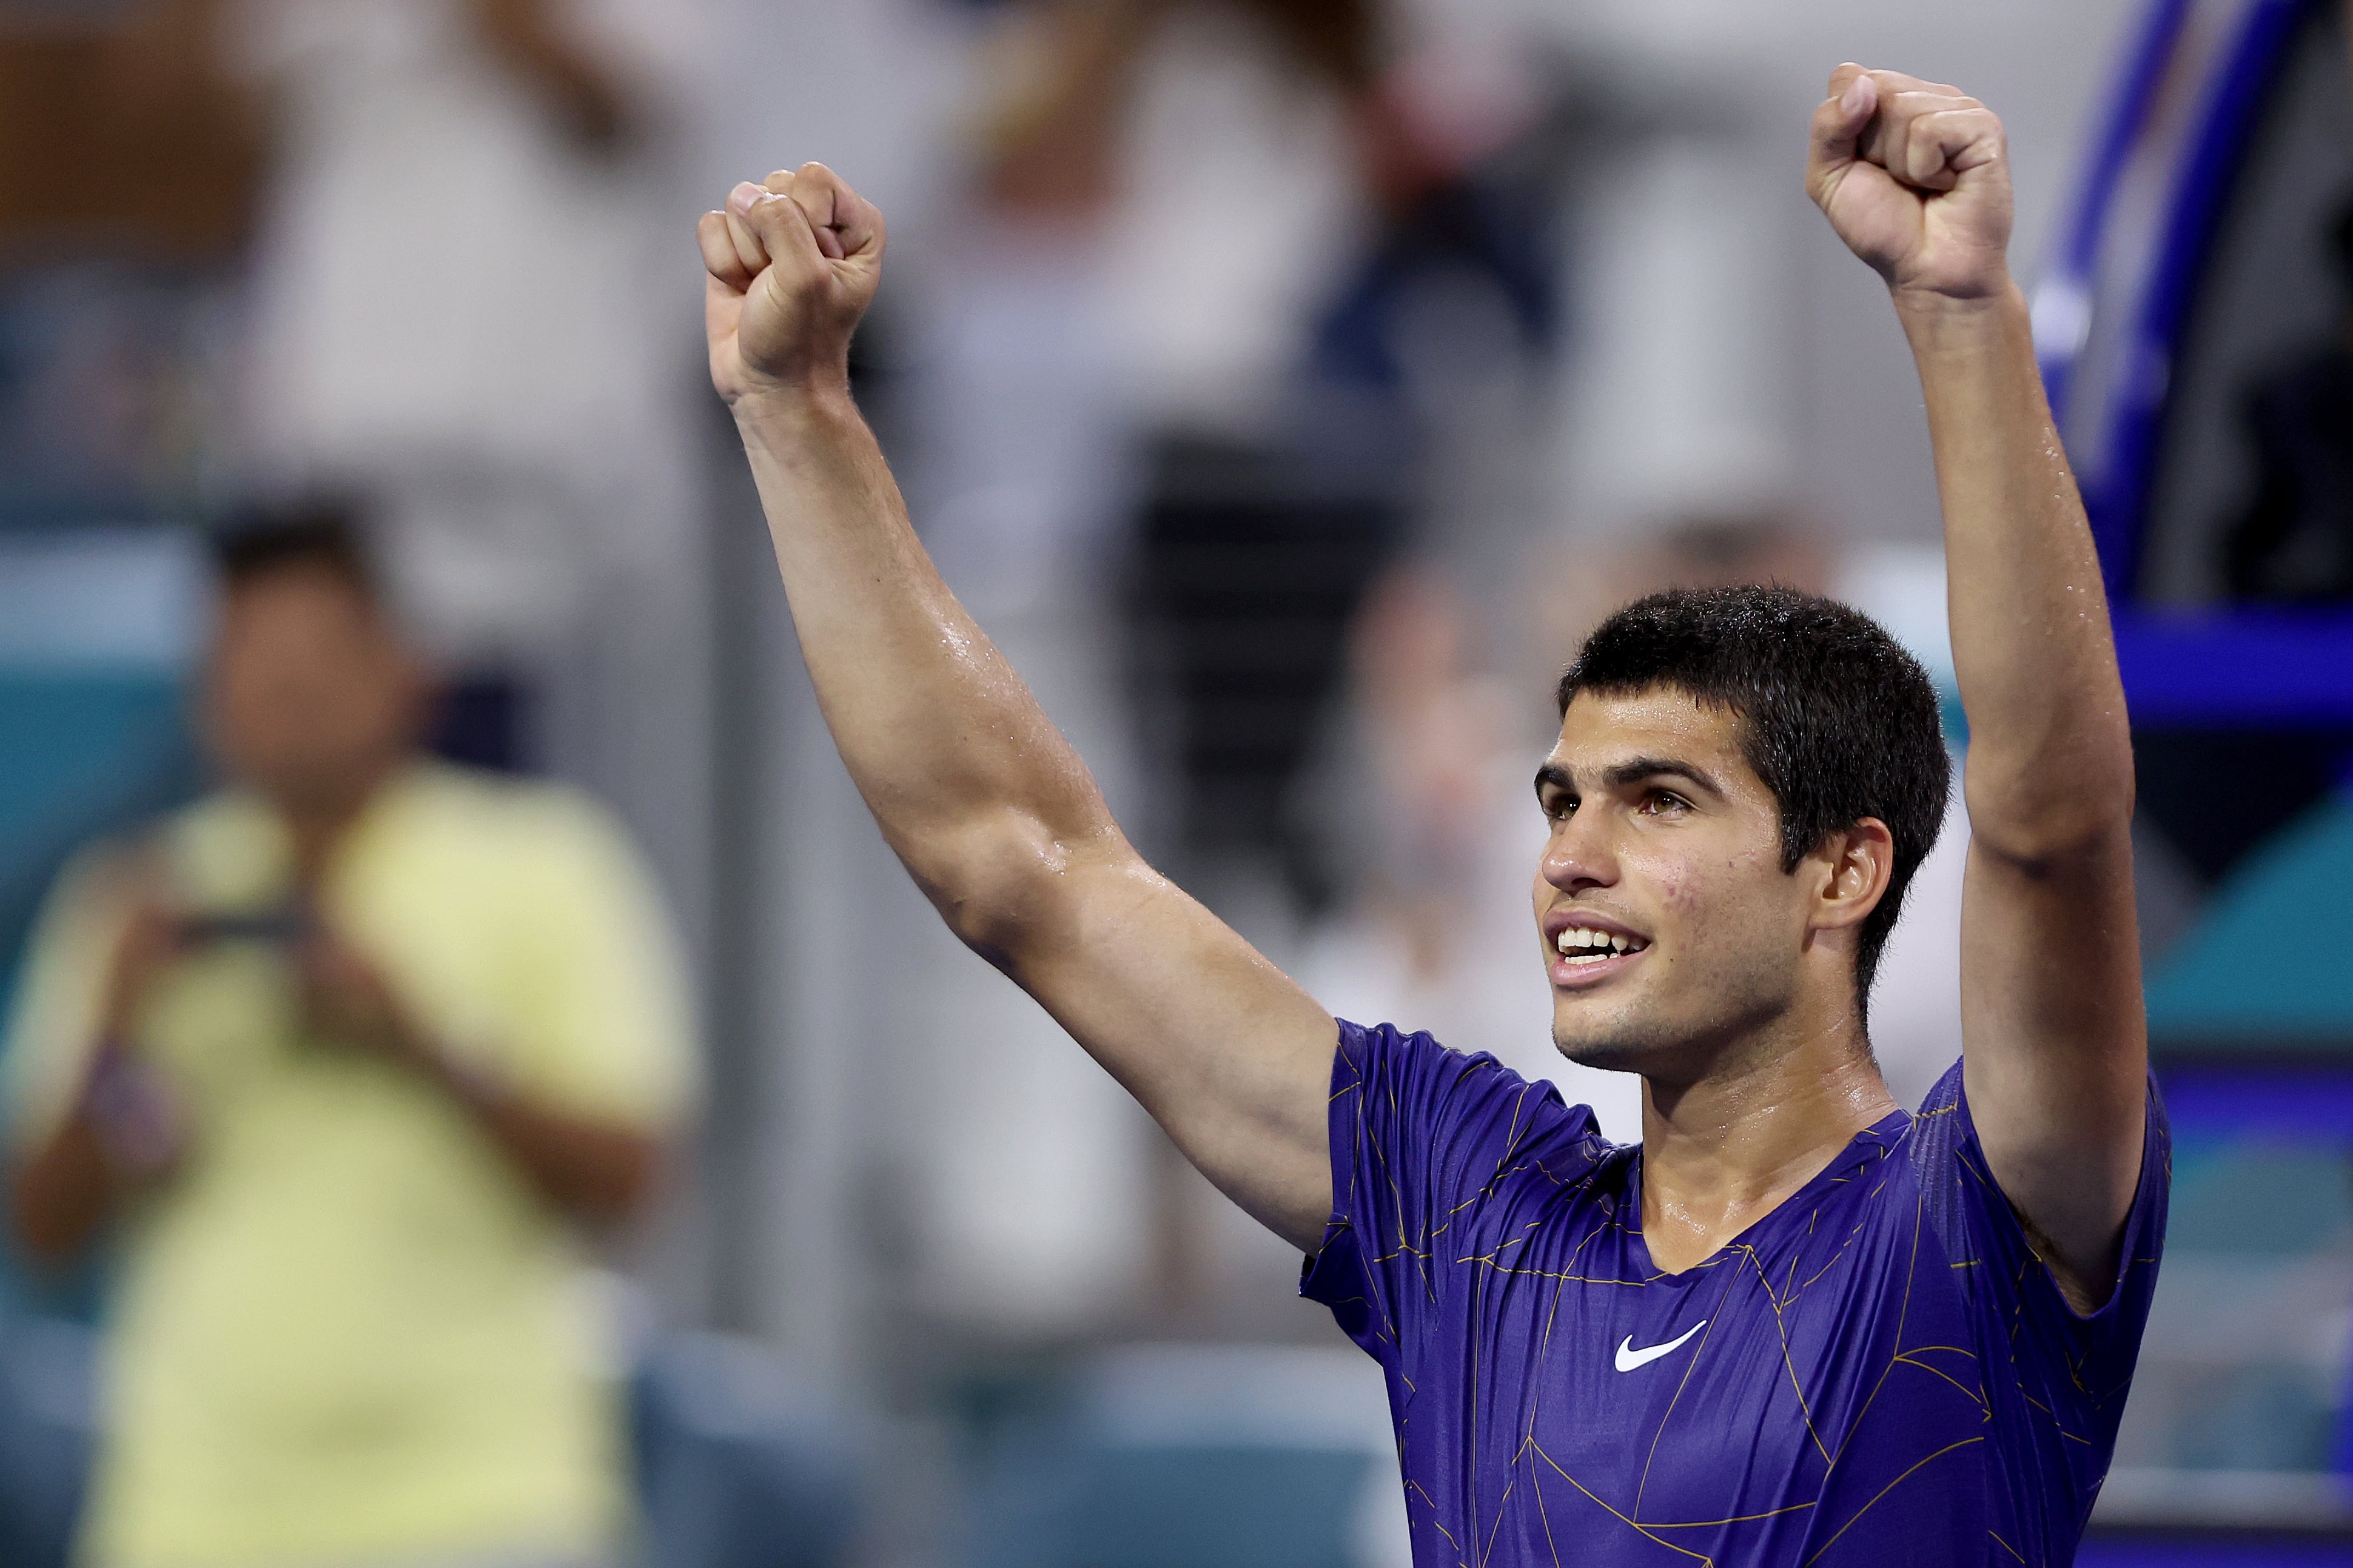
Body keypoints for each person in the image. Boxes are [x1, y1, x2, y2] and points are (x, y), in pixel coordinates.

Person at [697, 59, 2164, 1564]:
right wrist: (797, 416)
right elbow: (1022, 868)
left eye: (1658, 801)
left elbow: (2049, 821)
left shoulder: (1970, 1222)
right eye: (1558, 802)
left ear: (1845, 871)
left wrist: (1961, 314)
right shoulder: (1466, 1209)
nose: (1570, 862)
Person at [3, 512, 697, 1568]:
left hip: (492, 1504)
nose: (289, 695)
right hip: (194, 1520)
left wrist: (424, 1046)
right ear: (207, 690)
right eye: (253, 660)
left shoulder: (545, 867)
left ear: (404, 670)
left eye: (319, 657)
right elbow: (45, 1233)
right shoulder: (133, 902)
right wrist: (113, 1033)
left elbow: (632, 1184)